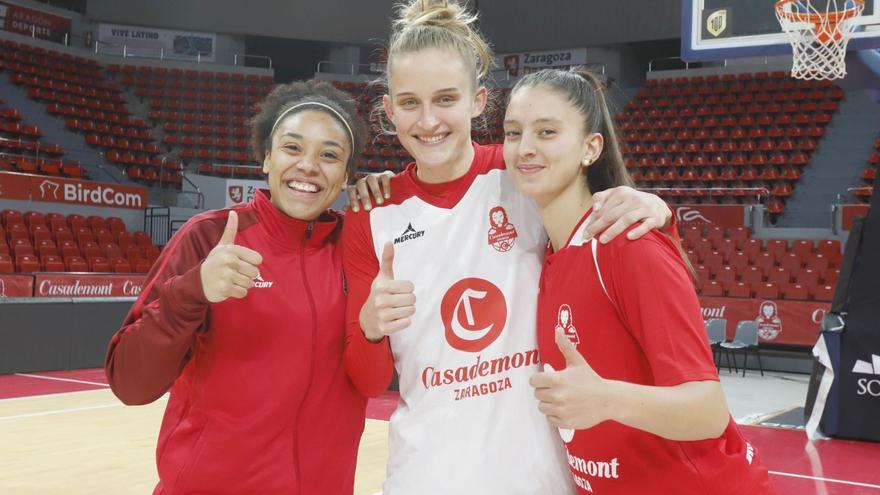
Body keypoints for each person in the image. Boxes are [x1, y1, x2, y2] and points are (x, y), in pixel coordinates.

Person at [341, 1, 674, 493]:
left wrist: (654, 207)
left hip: (539, 474)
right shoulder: (371, 212)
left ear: (478, 101)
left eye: (446, 98)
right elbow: (367, 383)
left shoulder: (523, 172)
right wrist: (370, 328)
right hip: (424, 475)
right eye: (409, 102)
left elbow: (608, 226)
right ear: (389, 111)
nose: (428, 120)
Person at [503, 68, 775, 494]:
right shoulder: (548, 257)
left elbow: (708, 411)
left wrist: (606, 399)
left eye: (547, 131)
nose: (525, 148)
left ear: (591, 148)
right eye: (513, 132)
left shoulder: (626, 245)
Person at [104, 81, 369, 495]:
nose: (309, 166)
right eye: (292, 148)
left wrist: (395, 191)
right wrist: (193, 290)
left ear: (347, 175)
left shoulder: (357, 249)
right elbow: (129, 383)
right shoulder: (209, 236)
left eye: (329, 155)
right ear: (266, 158)